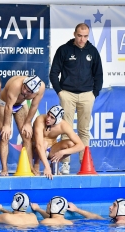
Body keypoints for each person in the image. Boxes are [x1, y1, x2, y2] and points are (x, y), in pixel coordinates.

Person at [49, 23, 103, 174]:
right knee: (66, 130)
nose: (82, 39)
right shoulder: (64, 50)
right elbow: (54, 73)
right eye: (79, 35)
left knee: (84, 130)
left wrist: (94, 93)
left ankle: (84, 163)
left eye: (85, 36)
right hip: (68, 94)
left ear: (88, 36)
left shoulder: (92, 51)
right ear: (74, 34)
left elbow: (98, 75)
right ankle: (65, 164)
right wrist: (60, 92)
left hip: (87, 95)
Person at [0, 75, 45, 176]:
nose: (25, 92)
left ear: (35, 92)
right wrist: (6, 125)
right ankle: (4, 169)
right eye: (24, 88)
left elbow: (34, 106)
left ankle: (30, 167)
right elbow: (9, 106)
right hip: (5, 104)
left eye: (28, 92)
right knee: (4, 136)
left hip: (21, 105)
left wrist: (27, 123)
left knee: (27, 136)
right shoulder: (16, 85)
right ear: (23, 83)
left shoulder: (41, 88)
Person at [33, 105, 85, 179]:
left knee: (71, 144)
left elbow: (81, 146)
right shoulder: (40, 120)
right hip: (36, 149)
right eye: (48, 115)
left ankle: (53, 164)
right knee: (44, 143)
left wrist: (62, 152)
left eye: (52, 118)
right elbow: (39, 145)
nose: (48, 119)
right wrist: (46, 167)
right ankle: (36, 165)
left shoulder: (63, 125)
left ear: (57, 120)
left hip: (51, 150)